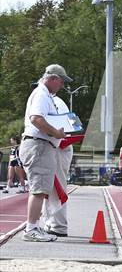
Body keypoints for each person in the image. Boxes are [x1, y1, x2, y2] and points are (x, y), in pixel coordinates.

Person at [19, 64, 70, 242]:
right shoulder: (41, 94)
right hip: (38, 145)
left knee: (40, 189)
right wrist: (56, 133)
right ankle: (31, 228)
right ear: (53, 78)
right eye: (61, 82)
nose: (62, 86)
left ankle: (34, 227)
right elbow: (36, 119)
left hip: (40, 145)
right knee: (39, 190)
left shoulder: (45, 94)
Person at [42, 95, 73, 237]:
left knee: (56, 187)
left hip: (58, 145)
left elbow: (59, 128)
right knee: (48, 187)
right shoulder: (52, 101)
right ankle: (50, 222)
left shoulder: (54, 102)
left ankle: (59, 225)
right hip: (57, 145)